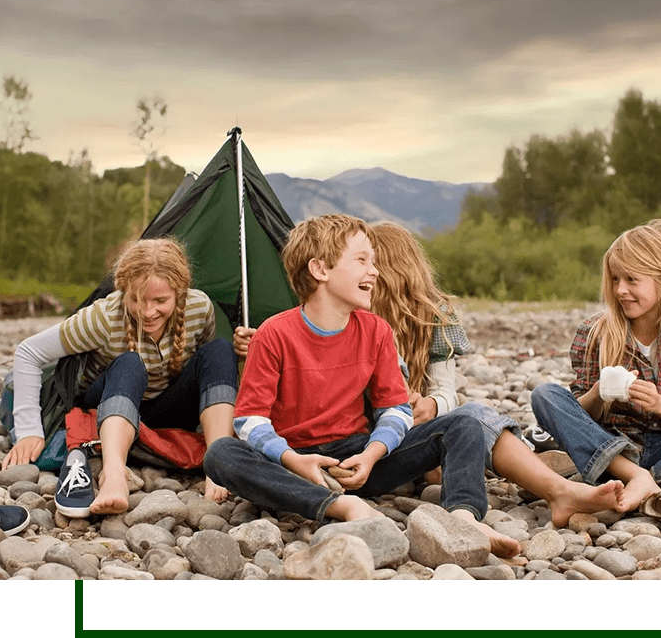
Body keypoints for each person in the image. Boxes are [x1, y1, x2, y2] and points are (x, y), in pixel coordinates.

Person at [206, 214, 520, 557]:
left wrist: (371, 455)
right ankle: (341, 507)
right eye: (361, 260)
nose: (374, 271)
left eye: (373, 262)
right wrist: (293, 459)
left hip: (357, 456)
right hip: (293, 463)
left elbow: (395, 408)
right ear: (320, 270)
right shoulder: (273, 334)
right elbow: (249, 419)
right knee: (221, 454)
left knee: (463, 424)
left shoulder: (376, 331)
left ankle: (463, 515)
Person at [367, 222, 625, 528]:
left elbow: (445, 389)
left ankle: (552, 485)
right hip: (375, 440)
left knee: (468, 412)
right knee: (472, 415)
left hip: (419, 426)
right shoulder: (352, 321)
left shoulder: (433, 317)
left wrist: (432, 406)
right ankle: (536, 471)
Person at [1, 237, 238, 516]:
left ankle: (217, 462)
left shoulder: (200, 308)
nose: (148, 312)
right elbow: (29, 352)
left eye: (161, 301)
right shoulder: (103, 316)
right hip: (109, 407)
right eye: (136, 299)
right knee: (129, 362)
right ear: (123, 290)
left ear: (180, 291)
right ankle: (113, 474)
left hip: (166, 410)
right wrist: (29, 431)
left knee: (221, 349)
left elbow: (206, 370)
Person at [530, 219, 661, 517]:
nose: (621, 290)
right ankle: (637, 476)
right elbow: (580, 413)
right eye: (615, 279)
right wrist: (597, 393)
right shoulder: (594, 331)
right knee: (544, 395)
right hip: (612, 447)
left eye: (632, 280)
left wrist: (660, 404)